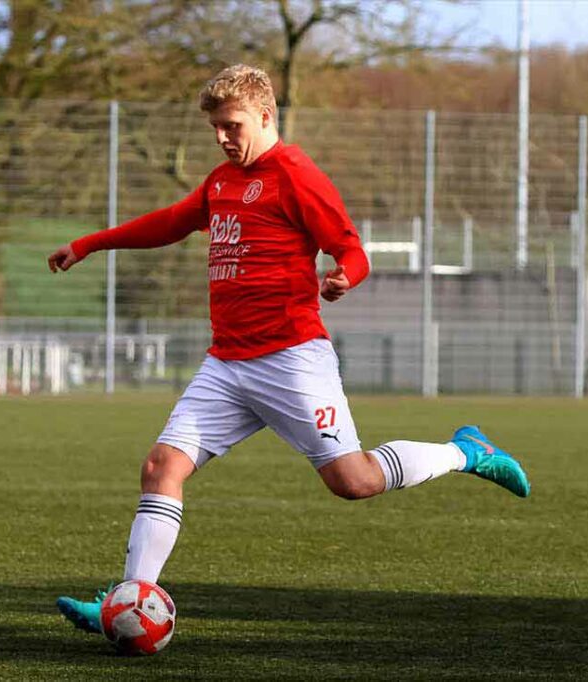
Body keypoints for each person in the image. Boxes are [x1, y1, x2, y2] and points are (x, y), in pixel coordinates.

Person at [48, 65, 530, 634]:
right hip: (226, 363)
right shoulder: (221, 181)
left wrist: (343, 276)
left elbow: (351, 247)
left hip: (290, 357)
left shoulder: (296, 175)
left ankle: (465, 451)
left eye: (232, 125)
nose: (224, 138)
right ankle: (128, 600)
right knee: (161, 467)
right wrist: (89, 244)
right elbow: (171, 223)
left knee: (353, 482)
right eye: (216, 129)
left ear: (265, 116)